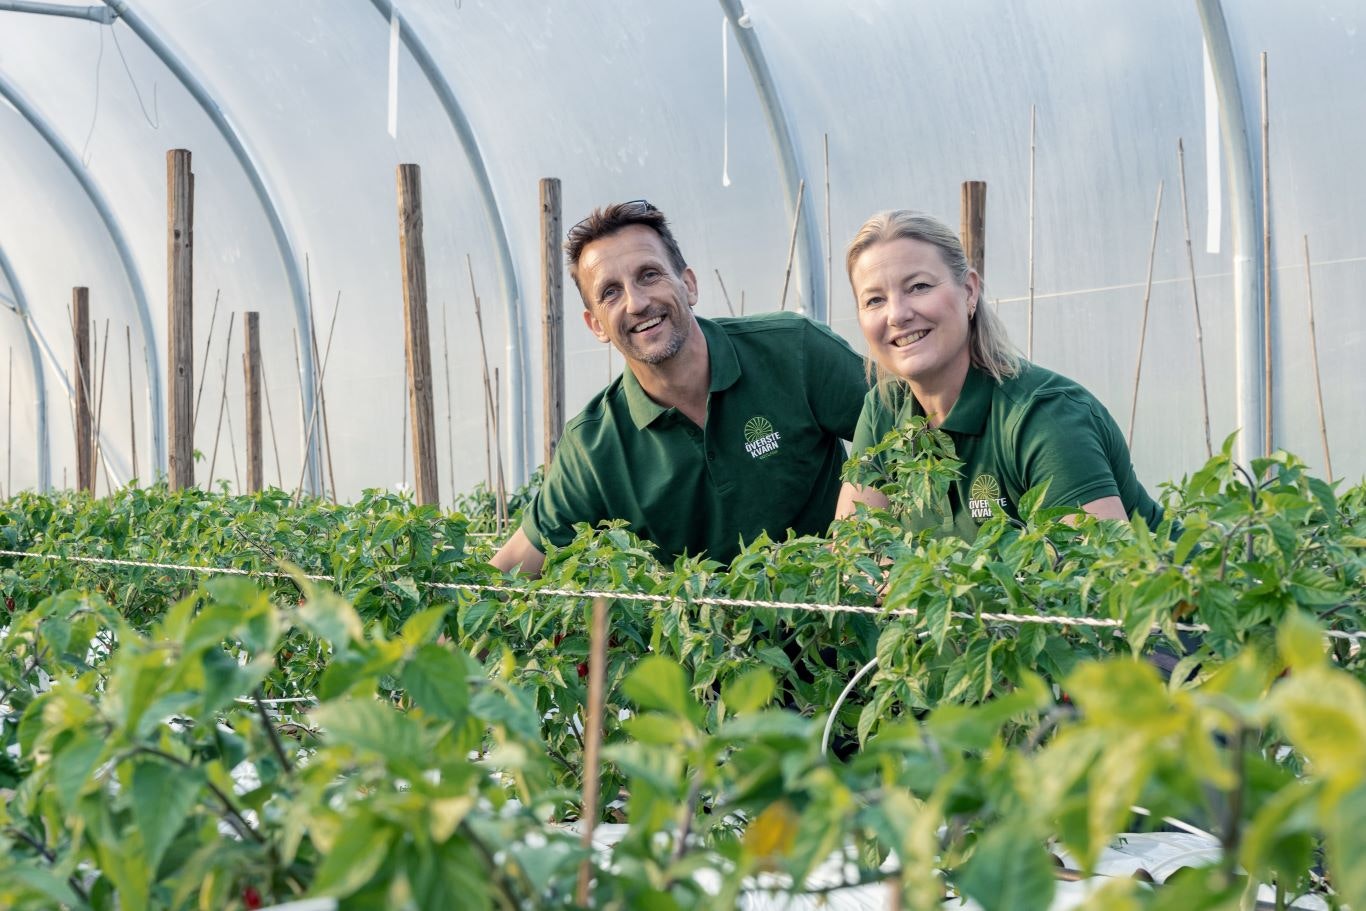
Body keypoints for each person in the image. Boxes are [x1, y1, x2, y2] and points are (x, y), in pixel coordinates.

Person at [491, 200, 870, 575]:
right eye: (610, 292)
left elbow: (898, 425)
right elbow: (510, 569)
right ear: (596, 326)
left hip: (837, 604)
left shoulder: (793, 351)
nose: (636, 303)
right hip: (704, 619)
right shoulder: (595, 447)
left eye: (648, 275)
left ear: (688, 285)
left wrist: (858, 531)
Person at [835, 210, 1162, 538]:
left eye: (918, 286)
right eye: (874, 300)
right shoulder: (884, 410)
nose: (897, 314)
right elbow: (851, 552)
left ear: (969, 291)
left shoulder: (1044, 416)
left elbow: (1096, 563)